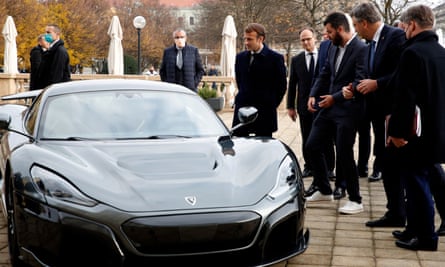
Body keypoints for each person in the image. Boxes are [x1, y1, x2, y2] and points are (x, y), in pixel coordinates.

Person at [386, 4, 445, 251]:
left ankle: (426, 238)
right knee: (420, 182)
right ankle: (414, 230)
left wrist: (396, 133)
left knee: (418, 186)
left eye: (404, 26)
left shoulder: (412, 53)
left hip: (415, 134)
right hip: (436, 130)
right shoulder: (441, 52)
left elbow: (405, 99)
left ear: (411, 25)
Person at [350, 2, 407, 227]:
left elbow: (402, 73)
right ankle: (395, 212)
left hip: (394, 113)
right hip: (378, 113)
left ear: (365, 23)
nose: (355, 30)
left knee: (401, 166)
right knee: (388, 164)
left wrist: (377, 84)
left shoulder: (395, 37)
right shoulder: (371, 43)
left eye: (355, 25)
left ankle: (399, 211)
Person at [305, 11, 367, 215]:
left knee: (344, 153)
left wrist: (337, 97)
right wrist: (313, 94)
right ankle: (324, 189)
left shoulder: (361, 49)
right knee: (312, 146)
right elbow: (324, 72)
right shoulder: (331, 47)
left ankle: (356, 200)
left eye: (330, 32)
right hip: (328, 106)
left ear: (340, 29)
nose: (327, 36)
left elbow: (359, 82)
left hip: (348, 110)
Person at [287, 28, 336, 185]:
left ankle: (329, 168)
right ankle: (309, 166)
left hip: (323, 103)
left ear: (315, 39)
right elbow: (292, 84)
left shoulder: (326, 56)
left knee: (326, 138)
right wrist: (290, 106)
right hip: (303, 106)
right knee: (306, 136)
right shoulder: (296, 60)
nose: (306, 42)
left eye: (308, 39)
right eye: (302, 40)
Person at [231, 23, 287, 137]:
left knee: (263, 149)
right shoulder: (240, 58)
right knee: (240, 147)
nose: (246, 42)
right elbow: (240, 82)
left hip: (264, 113)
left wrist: (270, 105)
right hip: (242, 110)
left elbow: (281, 86)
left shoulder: (275, 59)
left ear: (260, 39)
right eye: (245, 39)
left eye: (249, 39)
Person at [35, 24, 71, 89]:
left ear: (57, 34)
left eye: (48, 32)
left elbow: (56, 75)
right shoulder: (52, 49)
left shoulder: (59, 51)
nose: (46, 35)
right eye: (45, 32)